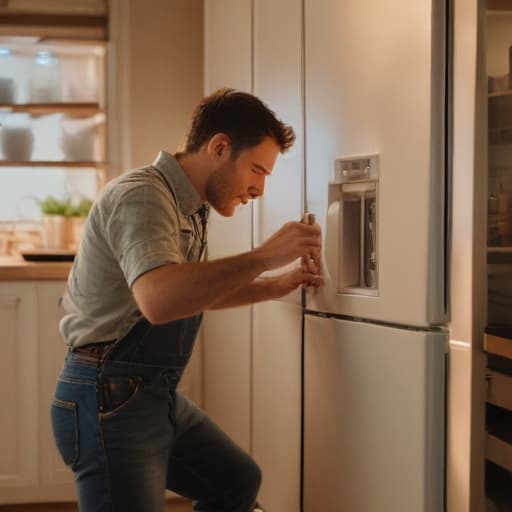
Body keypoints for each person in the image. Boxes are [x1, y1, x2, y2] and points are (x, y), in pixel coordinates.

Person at [51, 88, 323, 512]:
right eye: (257, 169)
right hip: (108, 397)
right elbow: (159, 300)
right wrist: (265, 255)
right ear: (219, 147)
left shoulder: (190, 207)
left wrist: (275, 283)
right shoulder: (143, 196)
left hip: (150, 394)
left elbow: (188, 292)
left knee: (236, 482)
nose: (259, 189)